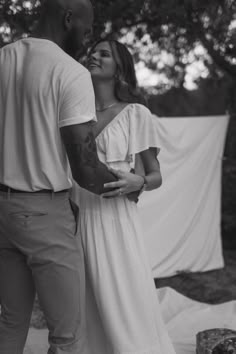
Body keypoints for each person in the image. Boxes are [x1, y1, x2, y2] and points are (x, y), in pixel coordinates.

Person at [0, 1, 124, 353]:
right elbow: (85, 168)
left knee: (10, 322)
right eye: (86, 30)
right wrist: (127, 184)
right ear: (69, 18)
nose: (86, 40)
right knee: (67, 336)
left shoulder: (4, 58)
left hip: (2, 212)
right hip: (44, 213)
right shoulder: (69, 72)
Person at [72, 39, 176, 354]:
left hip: (116, 221)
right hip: (78, 218)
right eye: (93, 51)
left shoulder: (135, 113)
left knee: (125, 302)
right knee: (85, 306)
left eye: (104, 54)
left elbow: (156, 175)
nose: (94, 55)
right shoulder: (75, 113)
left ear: (120, 68)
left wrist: (138, 181)